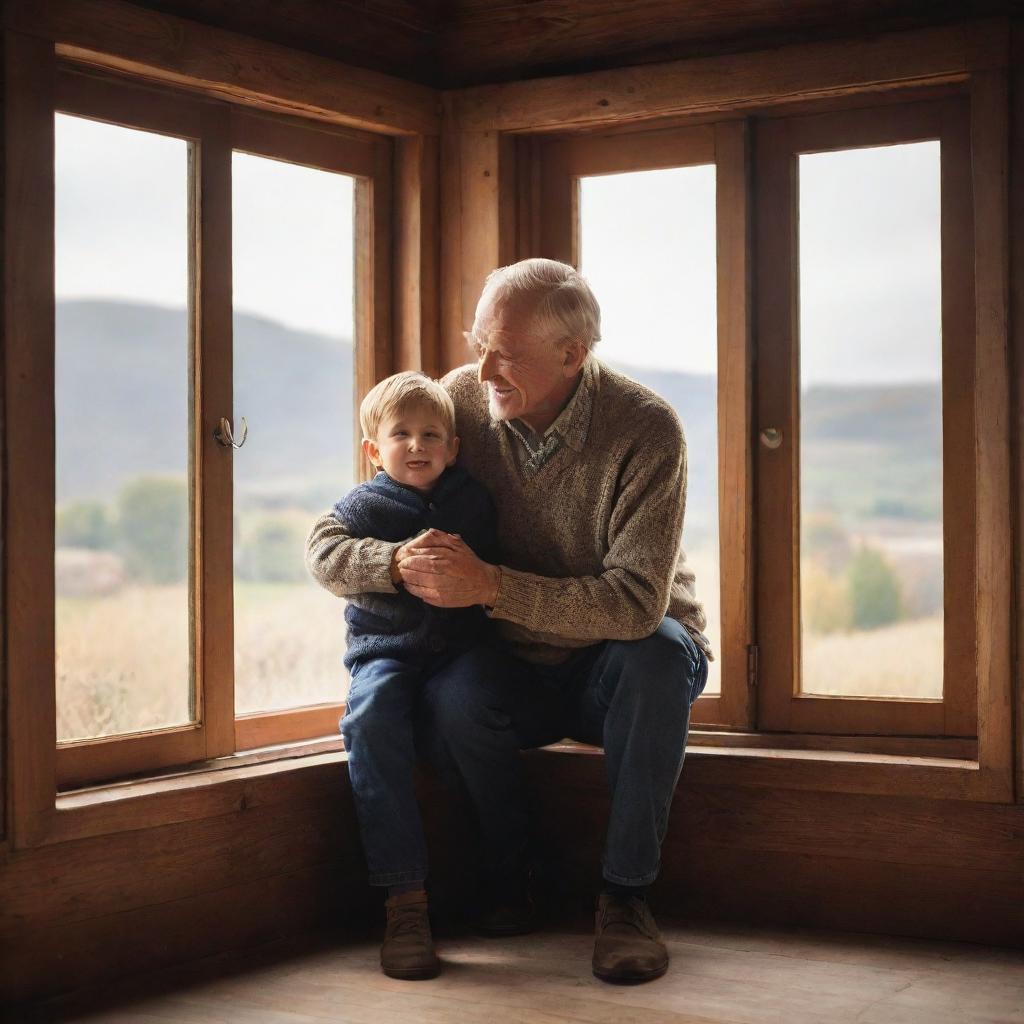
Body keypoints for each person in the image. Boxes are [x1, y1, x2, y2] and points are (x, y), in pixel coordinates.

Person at [308, 258, 711, 985]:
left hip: (615, 664)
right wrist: (397, 566)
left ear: (572, 354)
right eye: (478, 342)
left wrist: (491, 585)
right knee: (453, 695)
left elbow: (633, 603)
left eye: (508, 352)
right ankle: (508, 875)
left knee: (659, 652)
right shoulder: (459, 401)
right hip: (508, 662)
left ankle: (625, 899)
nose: (483, 368)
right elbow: (368, 507)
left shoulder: (646, 428)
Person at [308, 370, 496, 980]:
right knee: (369, 719)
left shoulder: (473, 500)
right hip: (385, 652)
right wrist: (389, 561)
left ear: (453, 446)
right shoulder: (363, 506)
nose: (417, 446)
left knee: (475, 711)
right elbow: (323, 555)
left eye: (431, 434)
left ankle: (503, 876)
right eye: (401, 435)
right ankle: (404, 901)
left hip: (461, 652)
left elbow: (501, 570)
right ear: (374, 449)